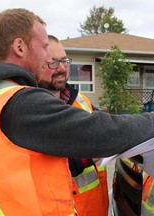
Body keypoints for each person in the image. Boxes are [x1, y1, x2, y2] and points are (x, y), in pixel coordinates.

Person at [0, 8, 154, 215]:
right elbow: (105, 133)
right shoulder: (21, 103)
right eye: (44, 47)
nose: (49, 58)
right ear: (20, 47)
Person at [38, 35, 108, 216]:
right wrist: (82, 159)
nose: (61, 68)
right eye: (53, 62)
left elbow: (107, 130)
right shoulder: (28, 107)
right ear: (36, 63)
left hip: (96, 209)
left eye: (64, 61)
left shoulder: (81, 100)